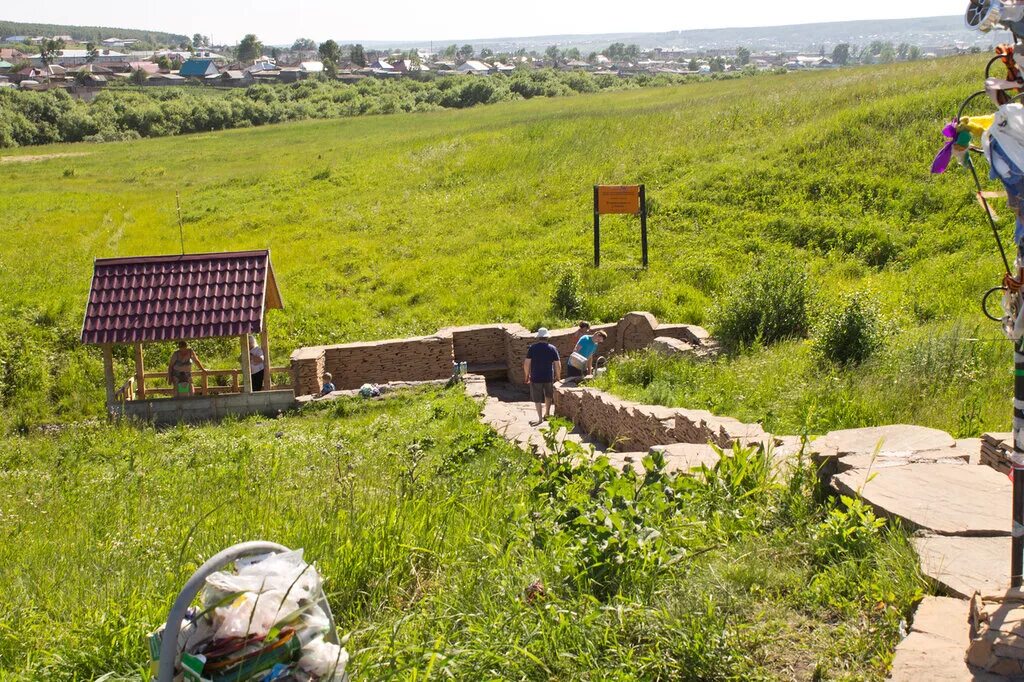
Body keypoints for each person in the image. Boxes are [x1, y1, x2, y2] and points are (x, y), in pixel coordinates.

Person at [523, 327, 561, 426]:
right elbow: (558, 364)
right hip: (548, 376)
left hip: (535, 377)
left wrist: (526, 376)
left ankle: (540, 419)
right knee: (548, 395)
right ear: (547, 337)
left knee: (537, 398)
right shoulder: (552, 348)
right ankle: (547, 413)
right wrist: (558, 376)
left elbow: (526, 363)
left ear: (538, 337)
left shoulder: (532, 348)